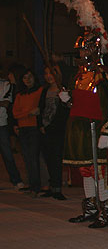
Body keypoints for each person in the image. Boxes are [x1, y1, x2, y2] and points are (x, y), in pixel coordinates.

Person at [52, 0, 108, 228]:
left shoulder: (103, 75)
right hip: (78, 128)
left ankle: (105, 211)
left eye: (87, 48)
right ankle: (90, 207)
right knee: (85, 171)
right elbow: (76, 102)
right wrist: (68, 101)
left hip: (96, 129)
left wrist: (106, 133)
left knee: (100, 172)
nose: (82, 52)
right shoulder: (78, 76)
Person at [39, 64, 69, 200]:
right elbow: (41, 108)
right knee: (48, 158)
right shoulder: (45, 91)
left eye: (51, 73)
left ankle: (57, 188)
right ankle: (51, 186)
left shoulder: (63, 90)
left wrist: (51, 126)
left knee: (56, 159)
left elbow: (63, 113)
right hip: (44, 128)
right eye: (46, 73)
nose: (48, 76)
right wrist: (40, 125)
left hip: (57, 130)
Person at [12, 68, 44, 197]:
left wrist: (26, 114)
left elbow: (39, 110)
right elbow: (15, 113)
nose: (27, 80)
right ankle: (32, 184)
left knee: (33, 158)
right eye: (25, 78)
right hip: (23, 128)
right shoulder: (20, 94)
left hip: (34, 128)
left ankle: (36, 186)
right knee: (26, 158)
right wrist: (28, 113)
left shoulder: (40, 91)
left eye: (30, 77)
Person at [0, 62, 24, 189]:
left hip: (2, 123)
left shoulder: (5, 85)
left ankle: (16, 179)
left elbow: (6, 103)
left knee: (7, 154)